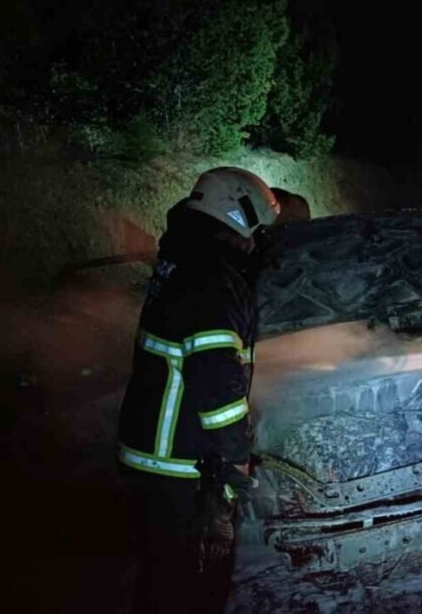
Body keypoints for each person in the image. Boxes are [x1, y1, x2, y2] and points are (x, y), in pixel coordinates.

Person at [116, 167, 280, 614]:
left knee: (159, 583)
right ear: (239, 215)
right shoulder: (212, 278)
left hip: (153, 458)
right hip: (181, 468)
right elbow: (216, 379)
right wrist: (239, 453)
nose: (258, 242)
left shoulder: (184, 259)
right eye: (258, 230)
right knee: (190, 591)